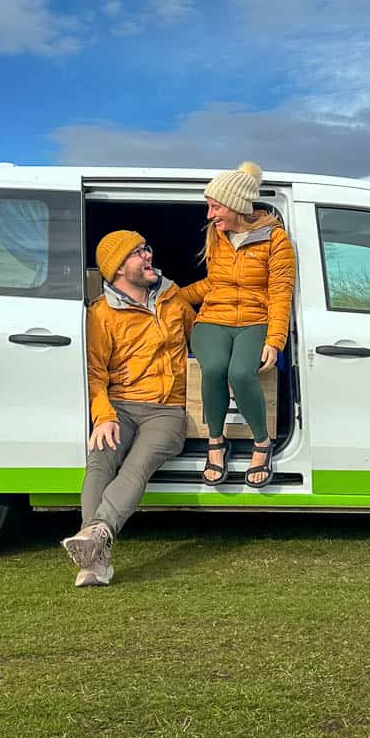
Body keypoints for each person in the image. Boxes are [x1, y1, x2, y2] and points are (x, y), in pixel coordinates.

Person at [60, 230, 194, 588]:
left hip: (166, 408)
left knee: (136, 466)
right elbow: (95, 372)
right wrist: (103, 415)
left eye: (146, 247)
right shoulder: (100, 314)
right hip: (120, 403)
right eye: (137, 253)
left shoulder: (173, 298)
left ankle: (97, 534)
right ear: (118, 269)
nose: (147, 255)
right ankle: (95, 556)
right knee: (100, 457)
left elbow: (201, 335)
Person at [182, 161, 296, 488]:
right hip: (212, 319)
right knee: (215, 368)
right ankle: (215, 444)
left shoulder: (275, 239)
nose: (209, 214)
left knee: (242, 372)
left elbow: (280, 292)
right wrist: (174, 294)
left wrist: (274, 340)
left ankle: (262, 444)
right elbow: (213, 285)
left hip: (254, 320)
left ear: (236, 206)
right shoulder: (216, 236)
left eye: (215, 206)